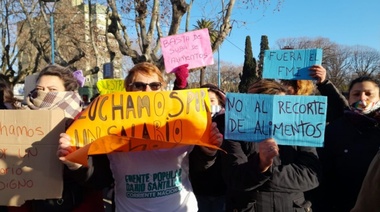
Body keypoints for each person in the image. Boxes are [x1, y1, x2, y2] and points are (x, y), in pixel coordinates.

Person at [57, 62, 224, 212]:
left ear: (163, 88)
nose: (147, 91)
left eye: (154, 85)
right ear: (128, 90)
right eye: (139, 85)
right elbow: (99, 179)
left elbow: (198, 168)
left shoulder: (181, 121)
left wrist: (207, 151)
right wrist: (75, 163)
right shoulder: (108, 126)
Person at [213, 79, 321, 212]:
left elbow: (311, 176)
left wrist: (263, 172)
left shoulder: (299, 129)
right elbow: (234, 177)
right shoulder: (236, 130)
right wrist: (261, 165)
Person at [8, 64, 104, 212]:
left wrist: (75, 164)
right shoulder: (19, 121)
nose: (44, 93)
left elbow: (100, 178)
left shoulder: (86, 123)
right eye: (40, 89)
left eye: (52, 90)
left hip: (78, 205)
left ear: (68, 93)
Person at [315, 75, 380, 212]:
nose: (362, 99)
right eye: (356, 94)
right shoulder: (333, 129)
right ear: (349, 98)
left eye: (369, 94)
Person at [190, 83, 227, 212]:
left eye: (211, 100)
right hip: (197, 188)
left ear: (220, 102)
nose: (207, 104)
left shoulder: (229, 123)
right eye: (202, 100)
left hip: (222, 189)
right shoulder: (190, 123)